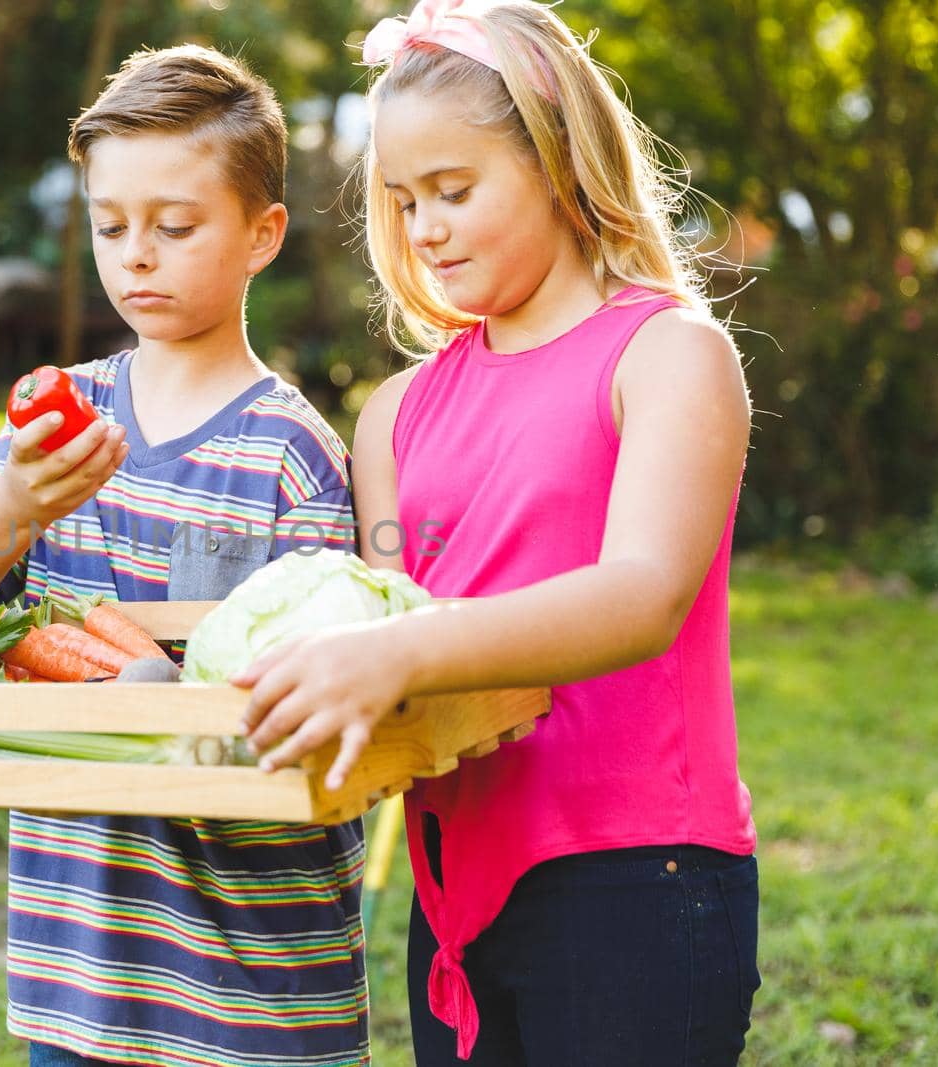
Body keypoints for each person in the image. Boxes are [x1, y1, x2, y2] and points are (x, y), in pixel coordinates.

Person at [234, 2, 760, 1063]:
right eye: (402, 200)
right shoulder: (392, 413)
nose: (424, 227)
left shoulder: (666, 355)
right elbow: (383, 620)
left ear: (560, 163)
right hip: (454, 885)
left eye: (454, 191)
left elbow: (640, 593)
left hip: (637, 875)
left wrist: (390, 650)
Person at [0, 44, 367, 1067]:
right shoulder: (49, 424)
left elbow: (313, 732)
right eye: (109, 226)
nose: (136, 256)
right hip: (79, 981)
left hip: (255, 992)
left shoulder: (290, 456)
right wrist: (16, 504)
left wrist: (176, 696)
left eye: (173, 226)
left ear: (262, 236)